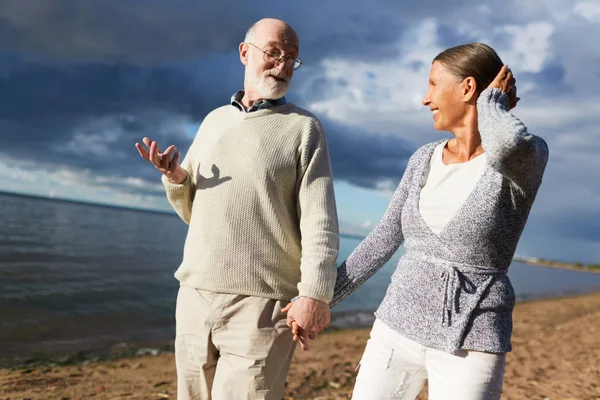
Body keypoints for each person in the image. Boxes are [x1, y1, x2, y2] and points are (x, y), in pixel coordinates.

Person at [287, 43, 548, 399]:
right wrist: (319, 298)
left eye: (433, 84)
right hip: (396, 325)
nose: (426, 99)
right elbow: (383, 239)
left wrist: (493, 104)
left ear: (468, 88)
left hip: (471, 337)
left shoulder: (526, 158)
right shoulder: (423, 158)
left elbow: (504, 144)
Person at [134, 18, 339, 400]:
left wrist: (315, 294)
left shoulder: (304, 128)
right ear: (245, 53)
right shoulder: (214, 121)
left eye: (291, 58)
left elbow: (320, 220)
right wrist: (177, 179)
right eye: (273, 52)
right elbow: (196, 215)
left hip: (263, 306)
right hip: (195, 292)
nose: (282, 65)